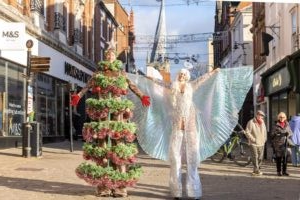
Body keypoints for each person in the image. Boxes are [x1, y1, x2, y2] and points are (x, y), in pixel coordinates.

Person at [130, 66, 253, 200]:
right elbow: (159, 83)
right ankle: (176, 192)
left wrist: (213, 72)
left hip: (190, 126)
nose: (182, 76)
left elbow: (202, 80)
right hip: (177, 127)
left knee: (192, 161)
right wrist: (147, 78)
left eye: (184, 74)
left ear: (187, 76)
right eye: (180, 74)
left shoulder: (191, 86)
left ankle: (194, 192)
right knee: (176, 160)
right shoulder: (173, 86)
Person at [71, 45, 150, 198]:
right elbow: (87, 86)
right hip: (101, 113)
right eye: (107, 55)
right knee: (102, 149)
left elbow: (132, 86)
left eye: (112, 55)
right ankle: (103, 187)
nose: (110, 57)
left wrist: (142, 96)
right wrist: (78, 96)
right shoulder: (99, 73)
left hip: (117, 113)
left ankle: (120, 187)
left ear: (115, 57)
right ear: (105, 57)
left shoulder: (120, 73)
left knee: (118, 147)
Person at [244, 110, 267, 176]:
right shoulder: (251, 122)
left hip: (261, 143)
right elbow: (247, 132)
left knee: (260, 157)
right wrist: (253, 139)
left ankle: (257, 168)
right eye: (259, 115)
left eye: (262, 116)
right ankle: (256, 170)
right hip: (253, 143)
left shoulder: (263, 123)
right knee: (255, 156)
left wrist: (264, 139)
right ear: (256, 115)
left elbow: (265, 132)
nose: (260, 116)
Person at [270, 112, 293, 176]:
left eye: (283, 117)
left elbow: (291, 133)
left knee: (285, 158)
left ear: (285, 118)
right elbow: (271, 134)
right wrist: (276, 134)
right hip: (278, 144)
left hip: (285, 144)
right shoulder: (275, 125)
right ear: (278, 117)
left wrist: (288, 134)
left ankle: (284, 171)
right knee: (279, 158)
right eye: (280, 117)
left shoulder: (287, 124)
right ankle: (278, 171)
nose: (282, 118)